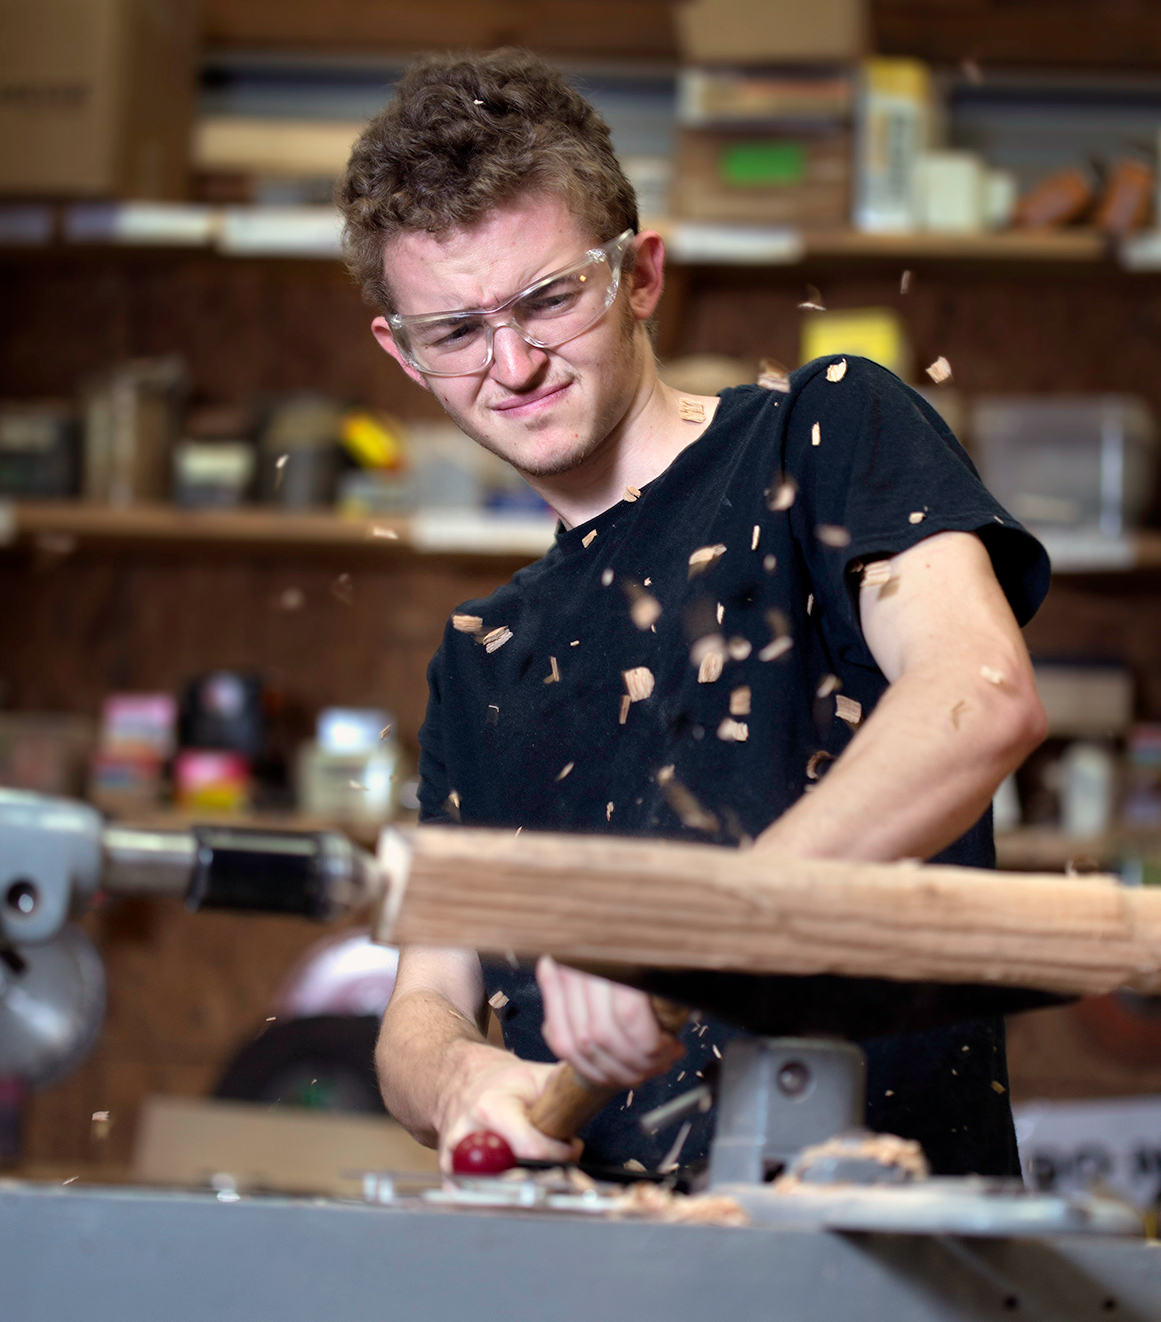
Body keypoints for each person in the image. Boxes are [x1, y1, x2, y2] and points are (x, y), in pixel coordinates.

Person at [339, 49, 1050, 1180]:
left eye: (547, 299)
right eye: (456, 333)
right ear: (404, 354)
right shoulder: (482, 655)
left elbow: (979, 697)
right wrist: (460, 1078)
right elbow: (424, 1001)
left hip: (883, 1248)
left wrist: (680, 933)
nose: (512, 364)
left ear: (638, 275)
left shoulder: (819, 437)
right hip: (598, 1275)